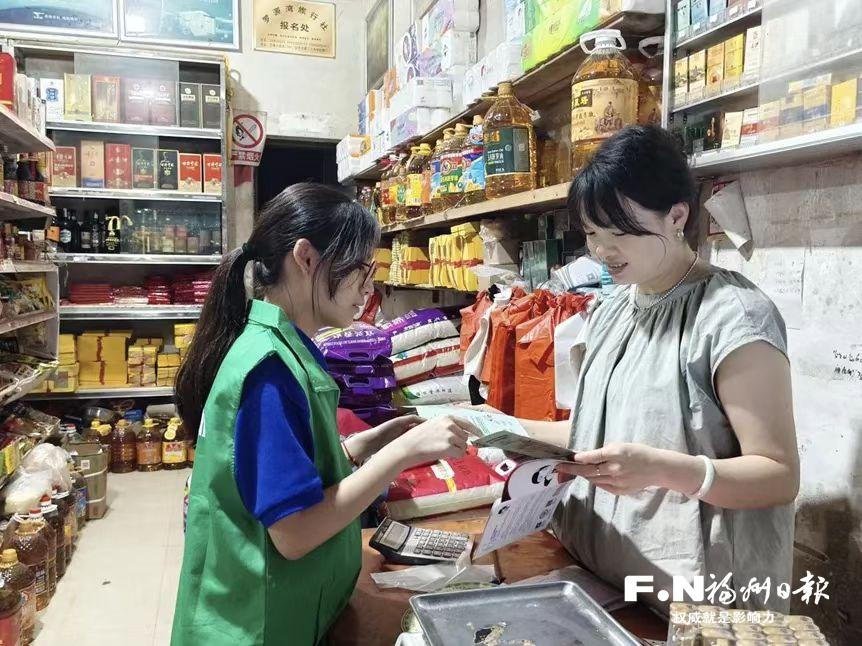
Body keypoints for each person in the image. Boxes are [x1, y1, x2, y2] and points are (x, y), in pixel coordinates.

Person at [478, 126, 799, 612]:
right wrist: (499, 426)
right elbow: (593, 433)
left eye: (620, 233)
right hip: (600, 578)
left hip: (691, 605)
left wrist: (661, 470)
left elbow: (777, 476)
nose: (602, 251)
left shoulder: (734, 317)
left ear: (677, 216)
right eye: (592, 233)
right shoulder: (611, 310)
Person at [171, 183, 477, 645]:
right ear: (307, 258)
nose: (368, 289)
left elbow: (276, 467)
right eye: (359, 270)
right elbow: (294, 533)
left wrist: (356, 448)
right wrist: (400, 455)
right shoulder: (269, 369)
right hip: (255, 629)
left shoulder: (280, 344)